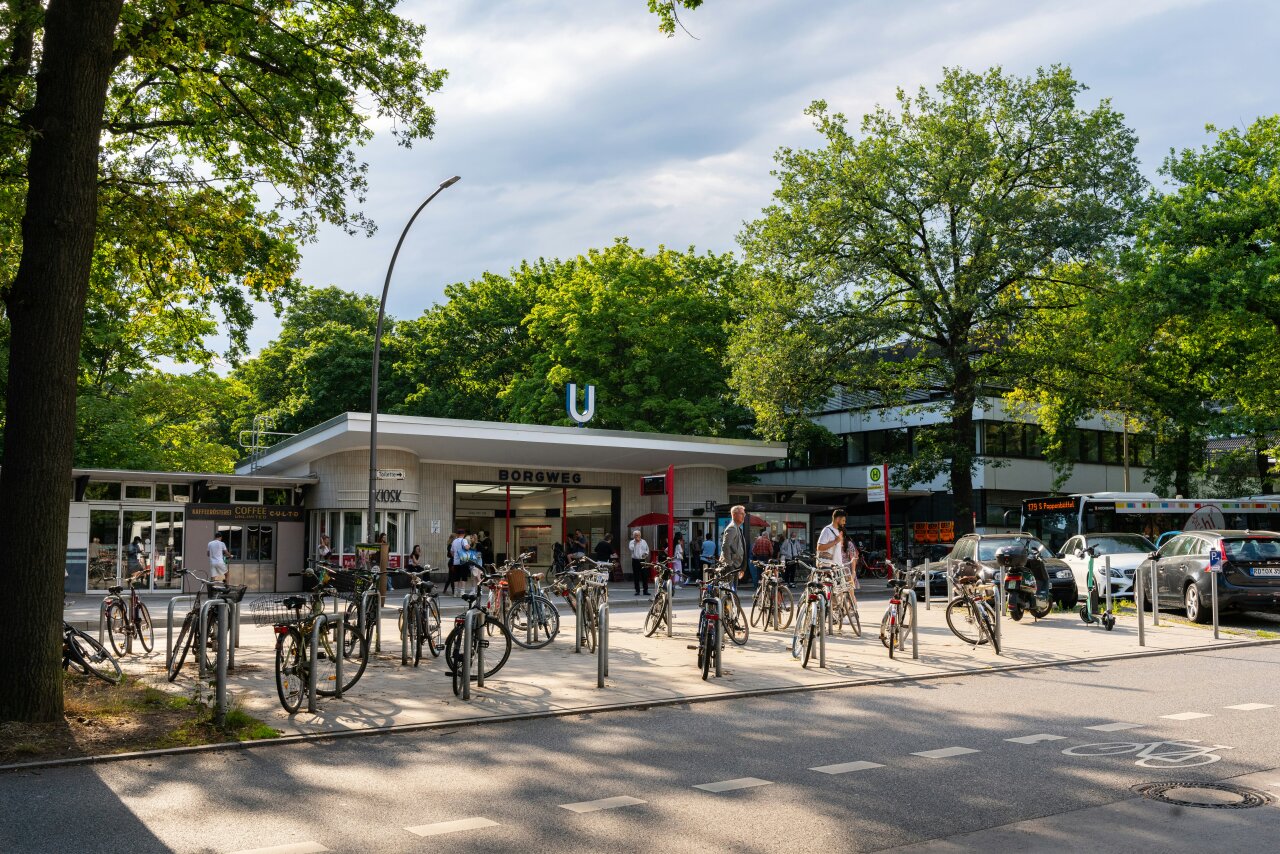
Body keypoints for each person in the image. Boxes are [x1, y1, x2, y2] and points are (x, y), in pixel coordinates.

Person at [720, 505, 750, 586]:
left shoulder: (737, 528)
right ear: (734, 514)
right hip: (731, 566)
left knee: (732, 592)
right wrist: (729, 564)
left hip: (736, 565)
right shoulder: (732, 528)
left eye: (744, 514)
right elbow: (725, 546)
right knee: (730, 592)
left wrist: (742, 567)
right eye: (742, 514)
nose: (744, 515)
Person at [628, 529, 651, 596]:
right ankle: (637, 590)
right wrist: (635, 543)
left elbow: (647, 549)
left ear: (640, 535)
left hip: (643, 560)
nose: (637, 536)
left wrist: (646, 554)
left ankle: (645, 590)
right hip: (635, 560)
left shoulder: (644, 541)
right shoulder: (632, 542)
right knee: (636, 576)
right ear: (633, 536)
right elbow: (631, 549)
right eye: (635, 535)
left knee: (645, 575)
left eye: (638, 535)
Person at [446, 527, 467, 596]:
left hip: (456, 562)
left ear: (458, 534)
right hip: (463, 561)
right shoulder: (464, 540)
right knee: (463, 576)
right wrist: (469, 546)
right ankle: (462, 592)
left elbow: (451, 552)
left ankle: (455, 592)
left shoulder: (454, 541)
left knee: (456, 577)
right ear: (463, 534)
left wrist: (455, 556)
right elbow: (466, 547)